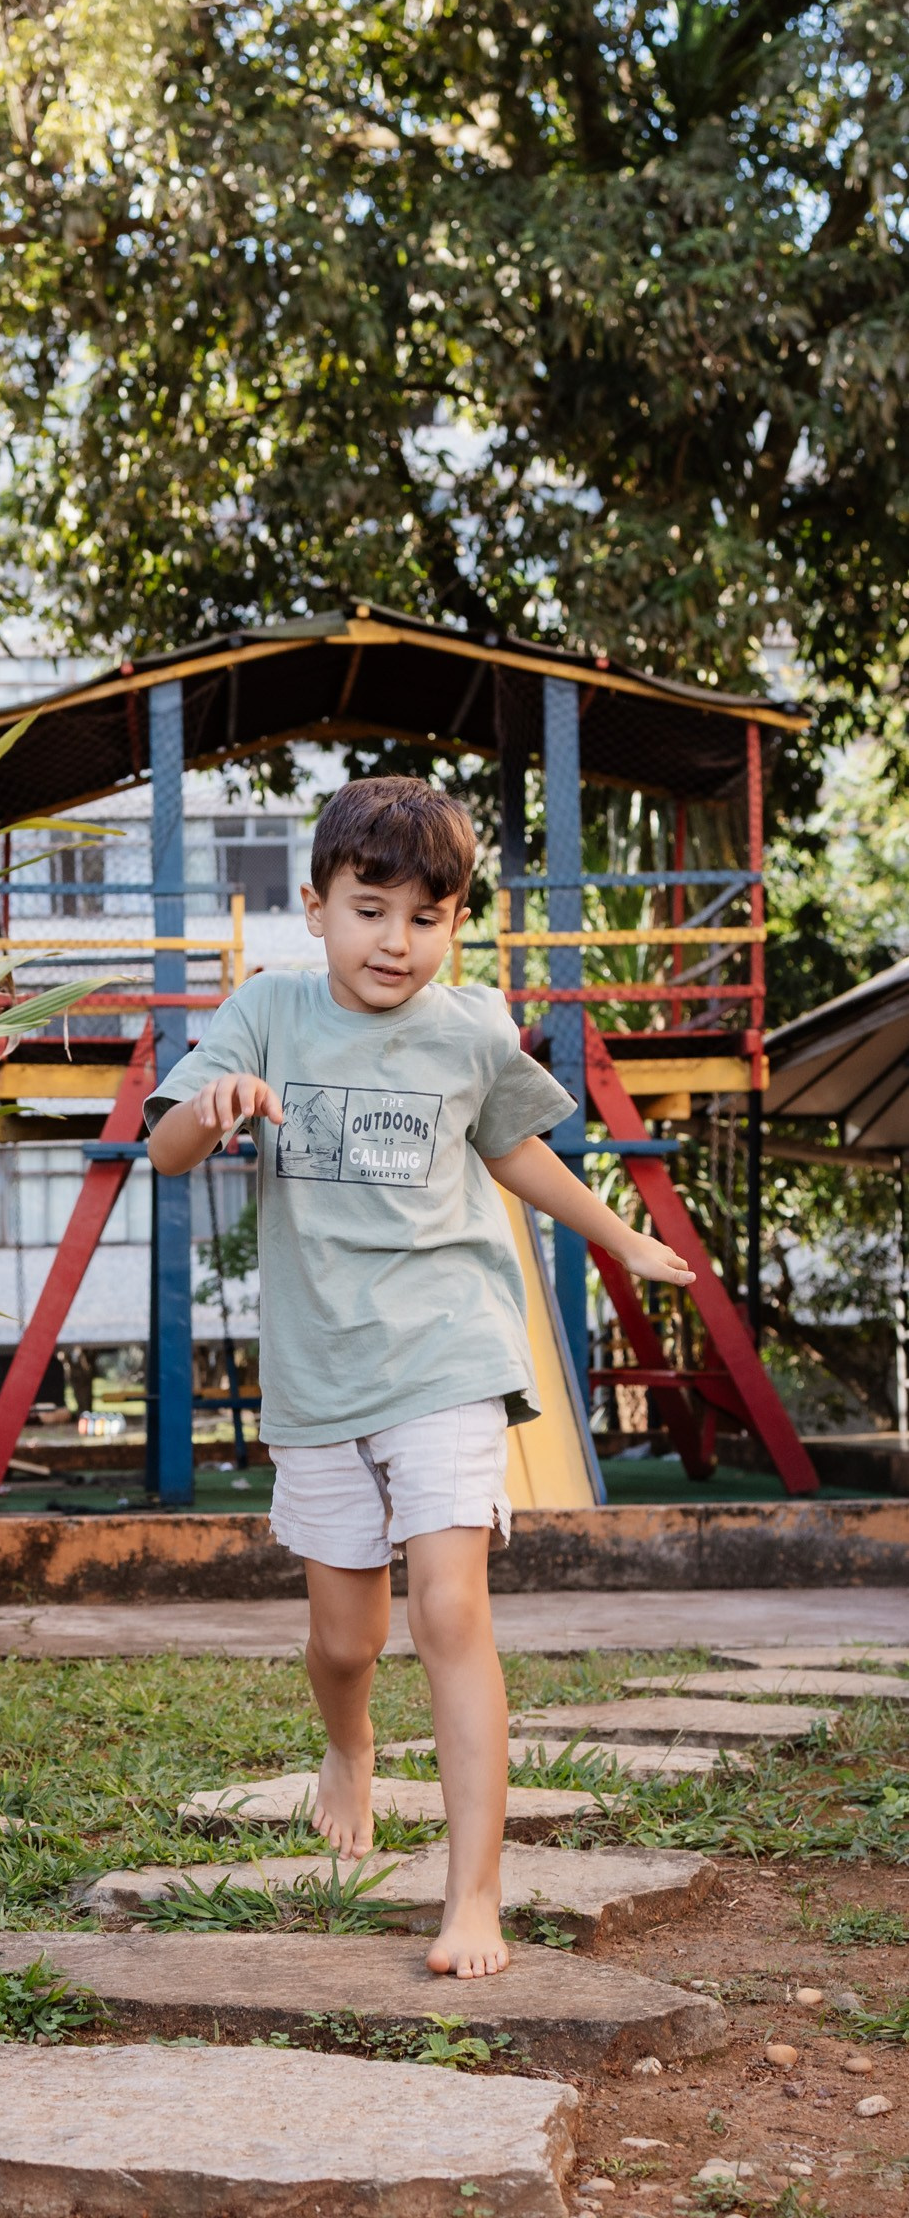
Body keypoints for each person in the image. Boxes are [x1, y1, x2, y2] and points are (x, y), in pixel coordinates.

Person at [145, 775, 693, 1980]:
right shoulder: (268, 1010)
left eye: (428, 916)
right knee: (347, 1634)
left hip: (448, 1344)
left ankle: (475, 1898)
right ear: (317, 905)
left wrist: (620, 1237)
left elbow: (515, 1150)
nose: (398, 940)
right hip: (321, 1365)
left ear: (456, 923)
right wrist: (216, 1106)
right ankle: (348, 1748)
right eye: (372, 907)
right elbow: (165, 1147)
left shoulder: (469, 1027)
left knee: (450, 1606)